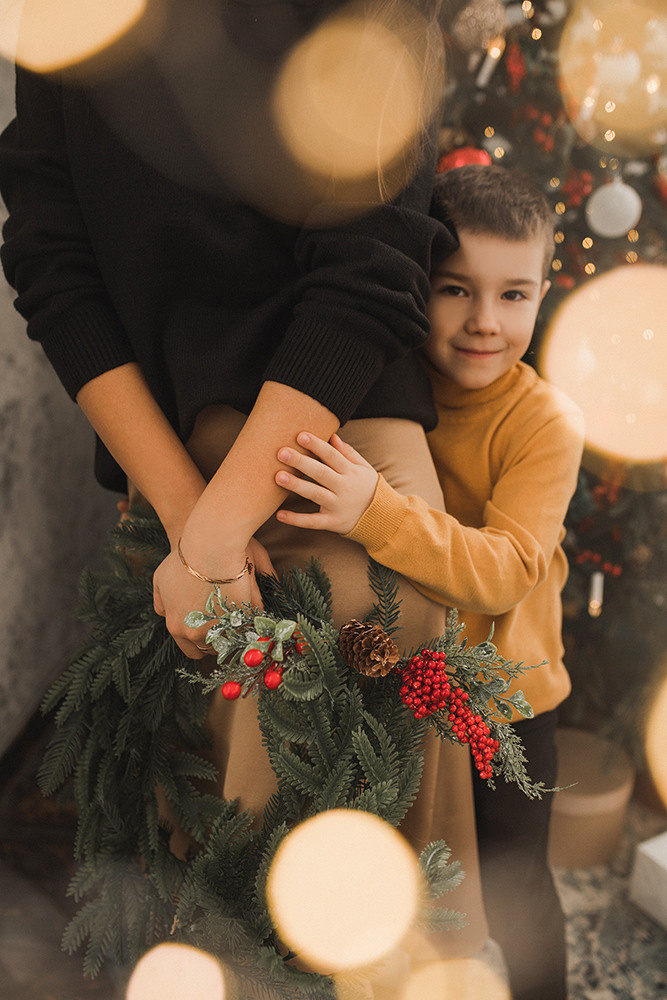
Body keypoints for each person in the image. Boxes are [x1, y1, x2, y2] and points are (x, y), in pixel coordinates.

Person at [0, 0, 488, 963]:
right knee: (196, 802)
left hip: (335, 435)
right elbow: (52, 255)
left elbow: (368, 272)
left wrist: (217, 536)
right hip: (176, 454)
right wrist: (193, 525)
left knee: (324, 759)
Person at [273, 163, 585, 1000]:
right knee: (420, 889)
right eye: (456, 289)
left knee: (517, 888)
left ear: (544, 291)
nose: (485, 321)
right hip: (409, 688)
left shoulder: (546, 424)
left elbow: (503, 572)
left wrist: (373, 509)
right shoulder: (386, 384)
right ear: (420, 286)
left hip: (511, 704)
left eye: (514, 294)